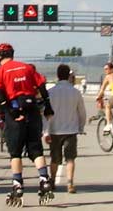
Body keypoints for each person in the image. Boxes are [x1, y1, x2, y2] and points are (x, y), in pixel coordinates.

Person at [0, 43, 56, 205]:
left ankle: (17, 184)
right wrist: (48, 106)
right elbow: (41, 86)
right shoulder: (27, 67)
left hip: (14, 111)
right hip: (32, 109)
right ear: (12, 54)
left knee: (16, 152)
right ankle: (44, 179)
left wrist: (9, 111)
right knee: (35, 149)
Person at [44, 64, 86, 194]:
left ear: (57, 75)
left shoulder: (50, 92)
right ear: (69, 75)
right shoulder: (75, 92)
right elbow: (82, 112)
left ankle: (52, 180)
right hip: (71, 130)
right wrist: (81, 126)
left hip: (55, 129)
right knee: (70, 158)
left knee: (55, 158)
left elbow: (46, 113)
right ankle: (70, 183)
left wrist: (45, 131)